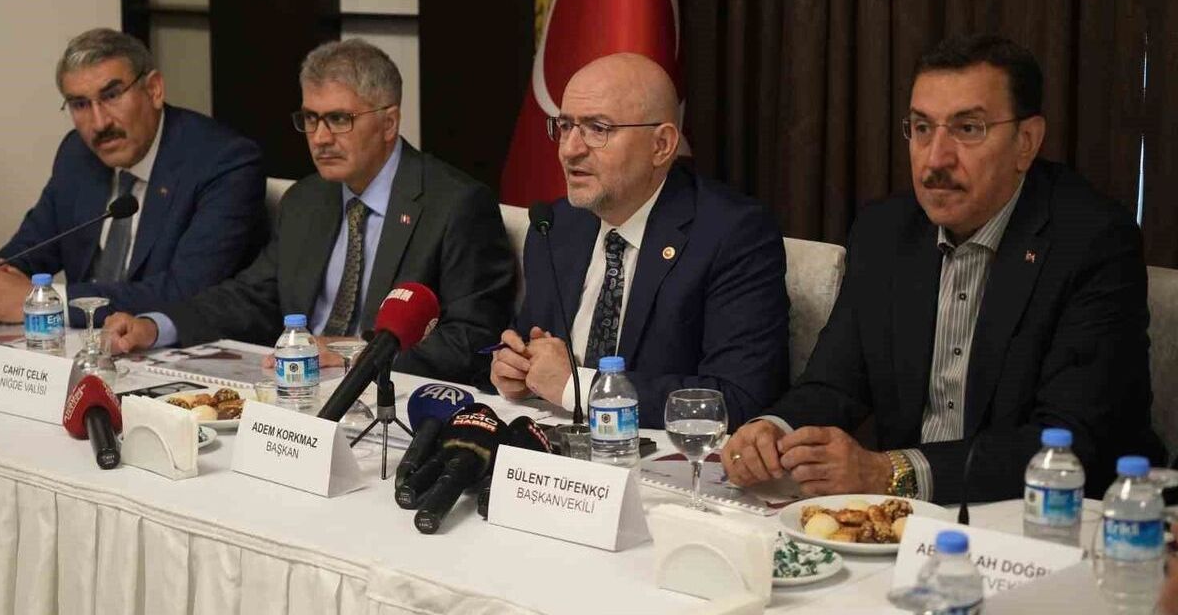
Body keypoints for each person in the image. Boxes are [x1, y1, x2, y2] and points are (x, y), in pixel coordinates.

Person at [722, 34, 1164, 504]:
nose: (935, 159)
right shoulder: (885, 232)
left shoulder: (1092, 242)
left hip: (1054, 521)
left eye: (968, 128)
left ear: (1026, 142)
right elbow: (835, 382)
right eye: (921, 128)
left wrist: (889, 472)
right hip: (909, 519)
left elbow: (1071, 441)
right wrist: (774, 429)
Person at [104, 38, 514, 384]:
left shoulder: (454, 205)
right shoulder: (306, 199)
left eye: (338, 119)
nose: (320, 138)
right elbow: (251, 298)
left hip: (390, 396)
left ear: (389, 123)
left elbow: (473, 339)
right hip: (296, 389)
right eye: (311, 119)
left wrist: (354, 353)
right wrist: (156, 326)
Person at [490, 53, 789, 428]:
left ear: (661, 145)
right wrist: (517, 368)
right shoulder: (555, 225)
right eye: (565, 126)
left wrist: (578, 387)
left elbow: (737, 398)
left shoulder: (733, 234)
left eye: (597, 129)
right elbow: (533, 347)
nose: (569, 149)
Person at [0, 28, 265, 326]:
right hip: (86, 349)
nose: (99, 123)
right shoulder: (77, 155)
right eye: (80, 104)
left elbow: (186, 290)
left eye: (111, 96)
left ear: (154, 89)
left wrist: (46, 302)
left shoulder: (223, 163)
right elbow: (30, 250)